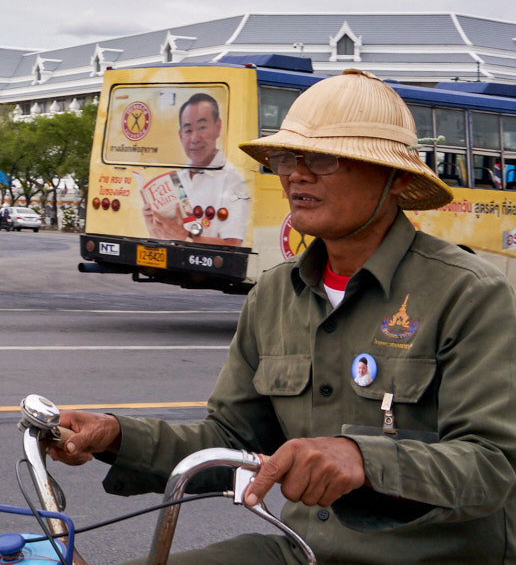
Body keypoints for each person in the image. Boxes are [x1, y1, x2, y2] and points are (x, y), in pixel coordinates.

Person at [51, 69, 516, 564]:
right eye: (286, 157)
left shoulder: (470, 294)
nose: (297, 174)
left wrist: (362, 459)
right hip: (301, 551)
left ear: (396, 178)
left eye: (323, 158)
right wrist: (115, 435)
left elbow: (493, 465)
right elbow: (229, 440)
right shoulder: (274, 293)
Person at [138, 92, 251, 245]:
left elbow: (233, 245)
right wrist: (152, 224)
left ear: (218, 127)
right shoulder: (176, 180)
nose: (195, 138)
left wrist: (187, 238)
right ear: (180, 135)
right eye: (188, 130)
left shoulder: (232, 181)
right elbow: (164, 240)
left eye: (202, 127)